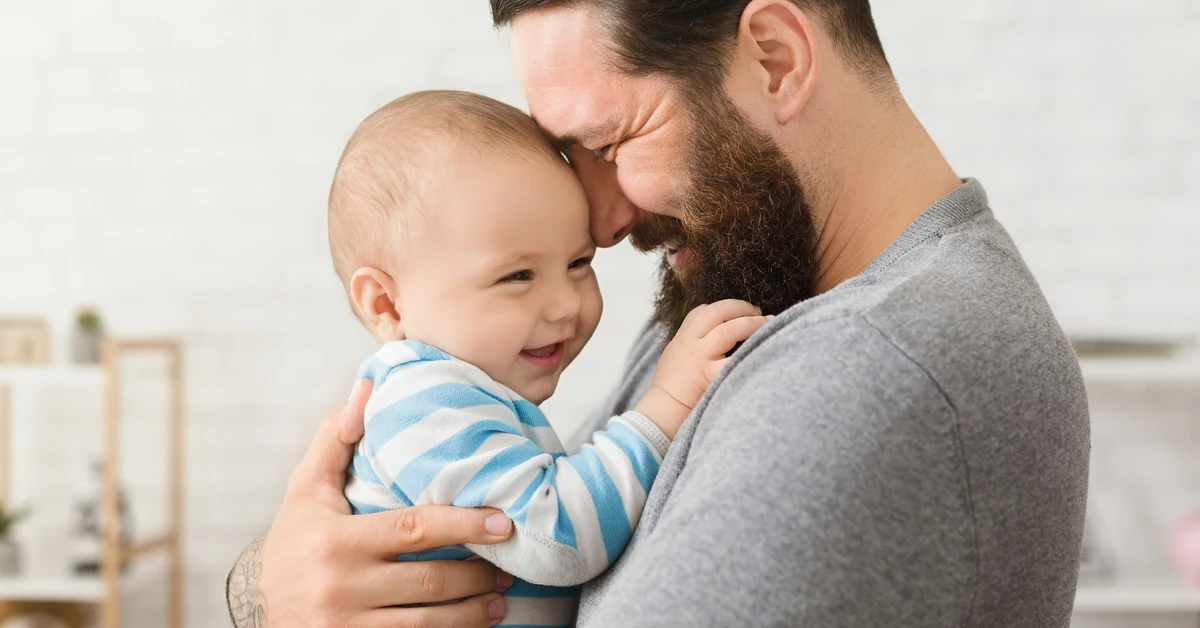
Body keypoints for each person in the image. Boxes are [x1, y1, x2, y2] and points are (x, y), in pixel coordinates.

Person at [227, 1, 1092, 626]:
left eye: (610, 145)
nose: (601, 222)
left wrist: (275, 600)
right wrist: (277, 586)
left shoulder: (872, 364)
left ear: (776, 59)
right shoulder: (745, 285)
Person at [327, 90, 768, 627]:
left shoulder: (464, 399)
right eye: (517, 276)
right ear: (387, 305)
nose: (566, 304)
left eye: (579, 262)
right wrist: (665, 407)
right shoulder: (420, 406)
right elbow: (557, 535)